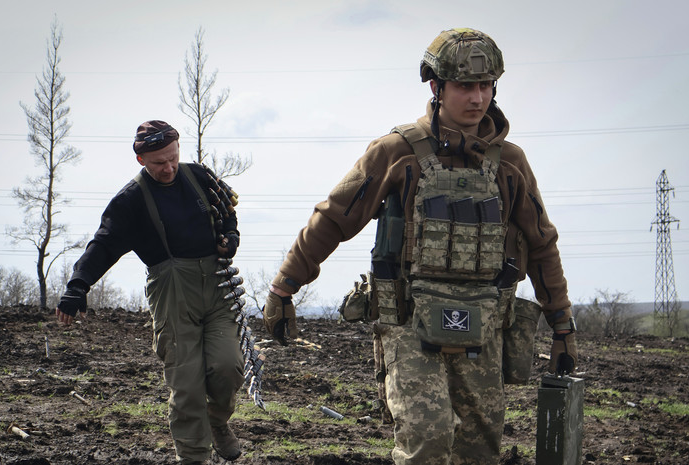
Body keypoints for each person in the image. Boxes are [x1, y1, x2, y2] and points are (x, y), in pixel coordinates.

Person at [263, 28, 579, 464]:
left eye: (486, 86)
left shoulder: (510, 163)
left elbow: (542, 245)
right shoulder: (396, 152)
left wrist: (561, 325)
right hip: (409, 323)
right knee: (426, 443)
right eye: (465, 86)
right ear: (436, 86)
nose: (477, 98)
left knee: (479, 449)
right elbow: (334, 219)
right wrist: (284, 287)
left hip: (485, 326)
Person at [54, 120, 245, 465]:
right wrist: (77, 286)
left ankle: (217, 423)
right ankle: (194, 459)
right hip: (172, 294)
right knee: (186, 385)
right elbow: (103, 245)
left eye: (173, 158)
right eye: (159, 162)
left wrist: (231, 239)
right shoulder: (130, 200)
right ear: (141, 160)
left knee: (228, 367)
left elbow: (228, 215)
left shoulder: (200, 177)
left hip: (218, 288)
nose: (169, 167)